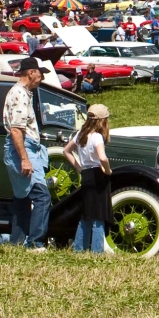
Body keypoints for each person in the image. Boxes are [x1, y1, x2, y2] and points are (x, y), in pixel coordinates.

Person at [2, 59, 51, 248]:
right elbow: (16, 129)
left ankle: (17, 242)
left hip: (23, 147)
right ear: (31, 72)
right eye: (40, 73)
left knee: (22, 198)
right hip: (23, 148)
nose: (42, 78)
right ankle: (35, 243)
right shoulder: (20, 94)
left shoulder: (22, 93)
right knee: (42, 196)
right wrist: (25, 159)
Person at [67, 104, 112, 254]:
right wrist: (107, 170)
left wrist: (80, 168)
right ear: (102, 121)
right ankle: (96, 251)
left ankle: (79, 248)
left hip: (86, 175)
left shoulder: (81, 134)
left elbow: (66, 151)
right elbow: (102, 157)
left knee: (86, 214)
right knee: (98, 215)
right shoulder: (97, 136)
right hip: (98, 176)